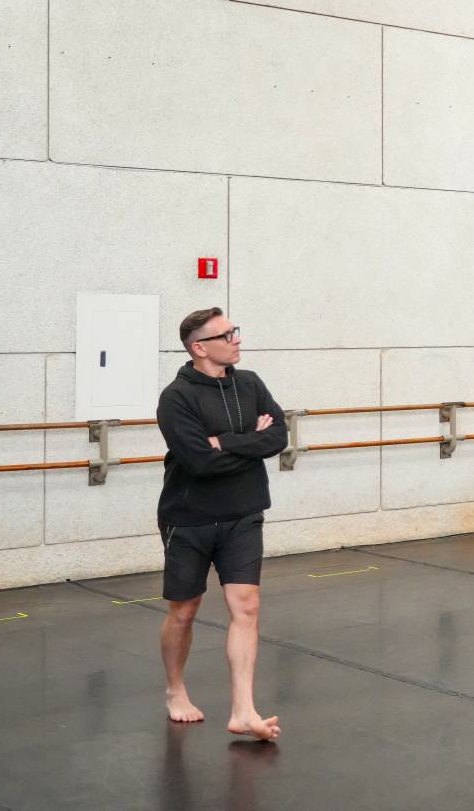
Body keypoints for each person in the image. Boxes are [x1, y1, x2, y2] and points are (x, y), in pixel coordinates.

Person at [156, 308, 288, 742]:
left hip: (244, 512)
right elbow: (197, 460)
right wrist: (250, 440)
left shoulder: (250, 383)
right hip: (189, 517)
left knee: (246, 605)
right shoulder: (176, 397)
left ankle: (244, 710)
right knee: (184, 610)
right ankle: (176, 690)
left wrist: (224, 442)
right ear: (199, 347)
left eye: (235, 330)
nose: (236, 339)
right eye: (226, 334)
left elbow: (278, 436)